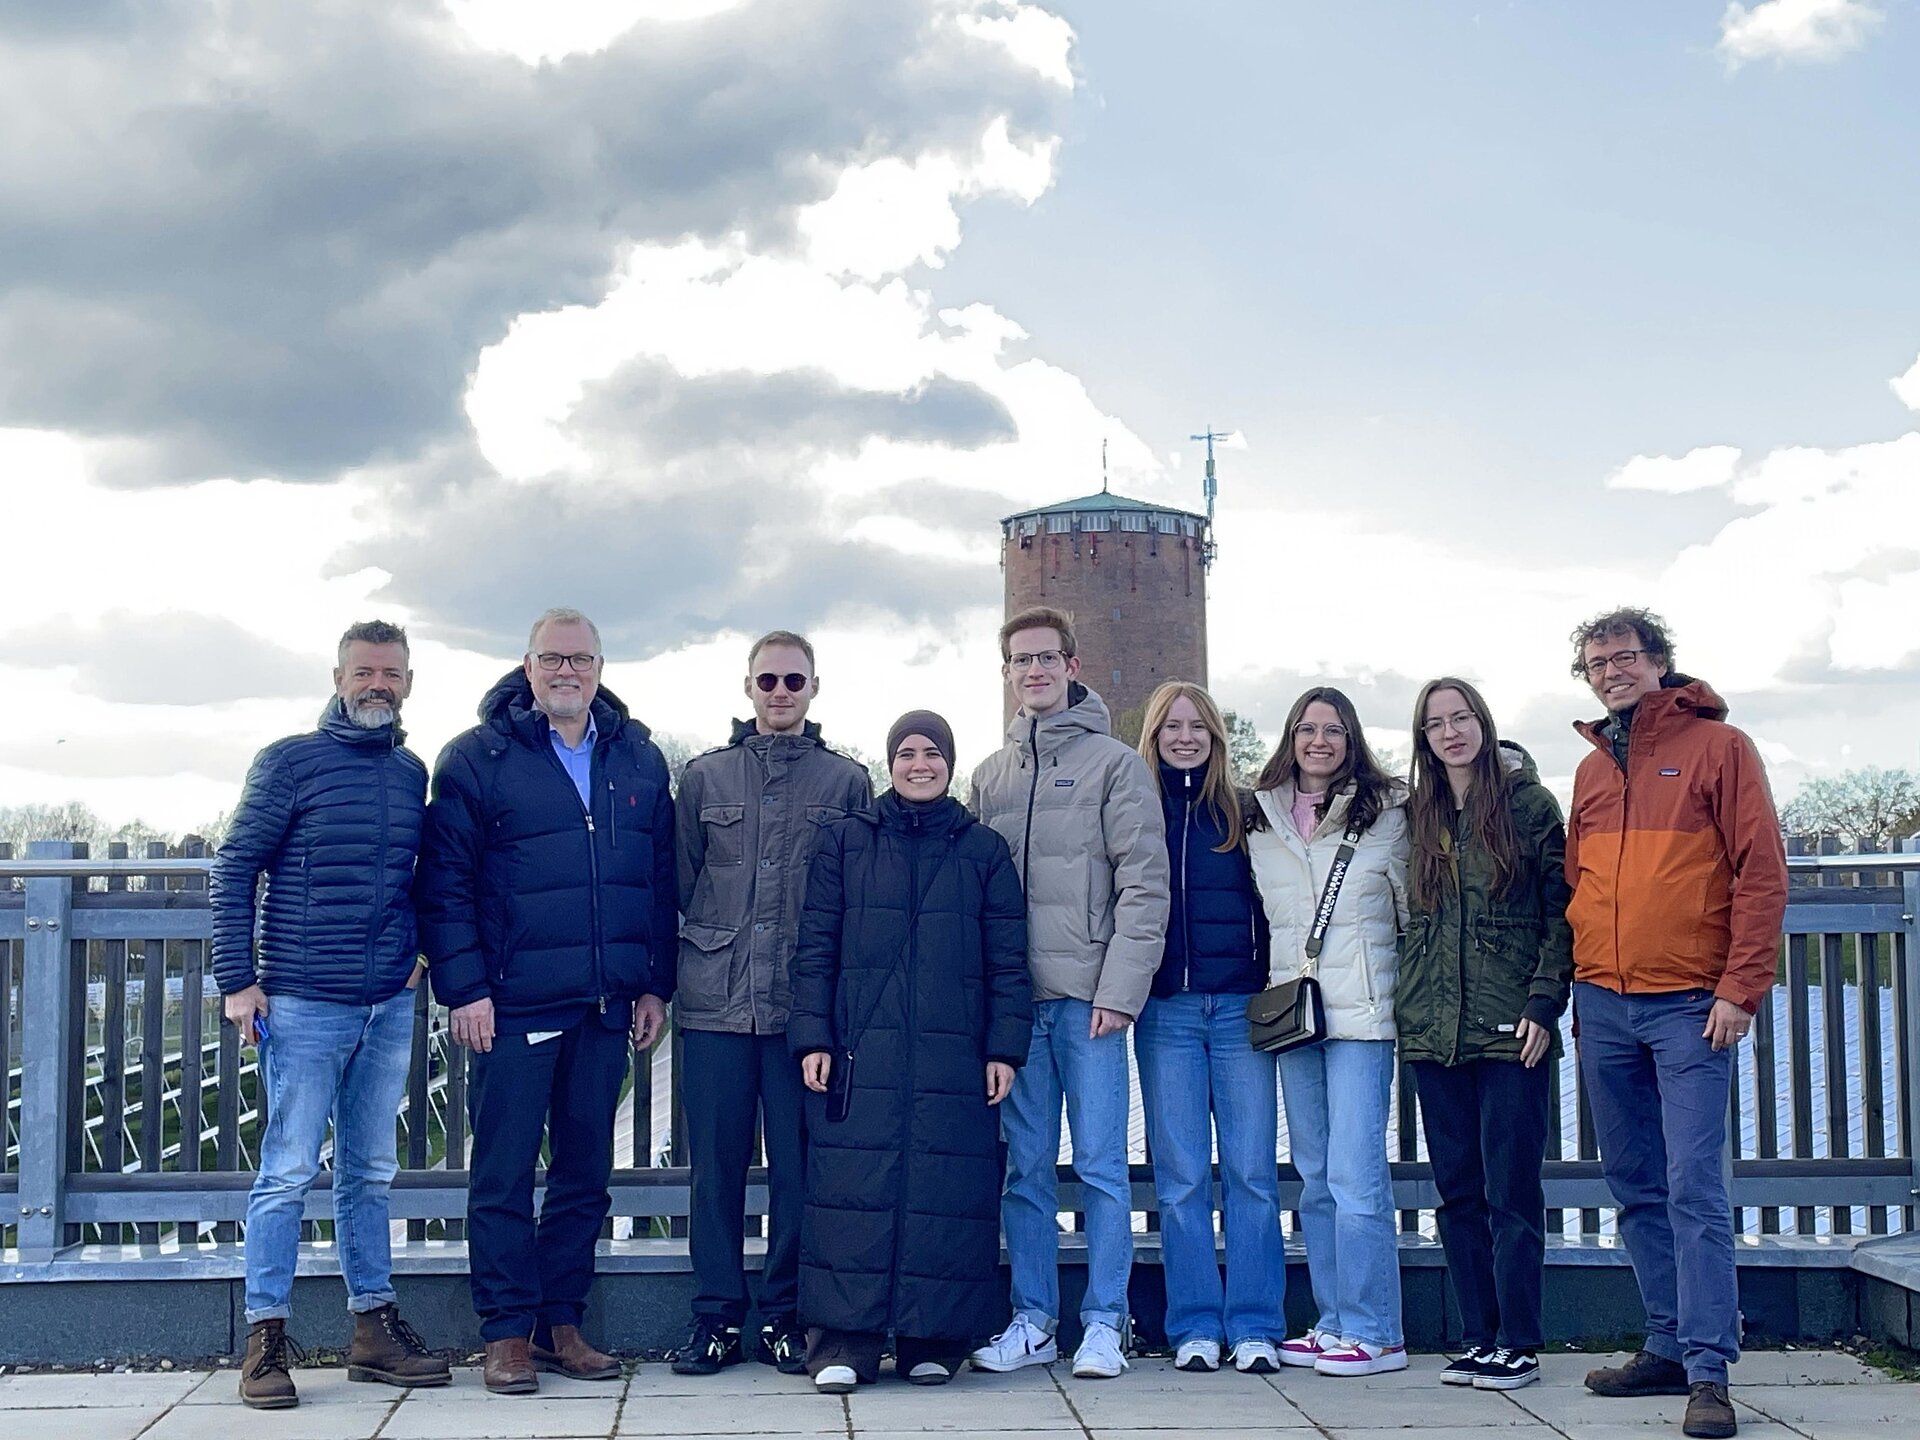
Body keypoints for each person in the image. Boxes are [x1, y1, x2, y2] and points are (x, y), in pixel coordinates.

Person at [416, 607, 676, 1395]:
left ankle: (561, 1322)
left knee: (584, 1171)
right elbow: (445, 883)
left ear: (600, 669)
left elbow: (659, 879)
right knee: (502, 1173)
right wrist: (465, 989)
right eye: (553, 659)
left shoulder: (637, 758)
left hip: (604, 1005)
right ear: (527, 667)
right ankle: (506, 1332)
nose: (568, 671)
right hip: (514, 1005)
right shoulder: (476, 758)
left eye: (581, 659)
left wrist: (654, 981)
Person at [212, 620, 449, 1409]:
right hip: (305, 1001)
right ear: (338, 678)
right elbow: (235, 866)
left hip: (387, 1005)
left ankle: (372, 1328)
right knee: (286, 1172)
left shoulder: (409, 771)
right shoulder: (290, 761)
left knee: (369, 1172)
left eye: (391, 673)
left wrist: (417, 956)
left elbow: (416, 878)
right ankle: (264, 1341)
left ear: (408, 683)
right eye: (364, 672)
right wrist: (237, 981)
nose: (378, 684)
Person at [1565, 609, 1787, 1440]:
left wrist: (1741, 989)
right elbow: (1577, 885)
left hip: (1692, 1005)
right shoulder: (1591, 769)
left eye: (1625, 656)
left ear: (1659, 661)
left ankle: (1708, 1373)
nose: (1612, 672)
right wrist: (1576, 990)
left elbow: (1762, 873)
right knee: (1634, 1183)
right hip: (1603, 1003)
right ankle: (1664, 1343)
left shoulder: (1720, 748)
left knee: (1695, 1186)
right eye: (1597, 663)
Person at [788, 711, 1032, 1392]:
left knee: (943, 1192)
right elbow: (816, 948)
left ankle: (934, 1337)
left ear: (949, 764)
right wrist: (813, 1036)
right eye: (906, 753)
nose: (919, 765)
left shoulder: (983, 851)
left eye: (932, 754)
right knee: (851, 1190)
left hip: (954, 1053)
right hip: (860, 1051)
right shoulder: (846, 842)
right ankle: (845, 1341)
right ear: (889, 763)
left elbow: (1009, 961)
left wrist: (1005, 1049)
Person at [968, 605, 1170, 1379]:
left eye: (1046, 657)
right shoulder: (991, 774)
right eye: (1021, 660)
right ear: (1008, 673)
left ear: (1071, 666)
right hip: (1018, 1010)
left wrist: (1120, 990)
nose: (1035, 670)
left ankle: (1106, 1322)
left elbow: (1144, 886)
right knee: (1025, 1170)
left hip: (1089, 1004)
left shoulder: (1116, 765)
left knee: (1099, 1167)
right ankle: (1033, 1320)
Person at [670, 630, 873, 1377]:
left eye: (793, 680)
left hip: (802, 1013)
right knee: (714, 1173)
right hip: (714, 1006)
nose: (780, 692)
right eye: (768, 680)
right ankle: (717, 1318)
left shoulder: (846, 783)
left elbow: (857, 899)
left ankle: (787, 1315)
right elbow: (680, 883)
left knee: (800, 1172)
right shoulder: (703, 778)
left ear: (814, 687)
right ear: (748, 686)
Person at [1398, 677, 1572, 1392]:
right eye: (1436, 723)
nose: (1451, 732)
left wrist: (1544, 1001)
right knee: (1458, 1193)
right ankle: (1478, 1337)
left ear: (1483, 722)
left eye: (1461, 717)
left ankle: (1519, 1341)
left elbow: (1562, 911)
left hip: (1511, 1028)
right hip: (1434, 1031)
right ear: (1424, 738)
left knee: (1512, 1191)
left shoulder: (1529, 806)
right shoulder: (1417, 814)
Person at [1245, 685, 1410, 1378]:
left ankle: (1377, 1331)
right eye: (1308, 729)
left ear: (1351, 740)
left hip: (1363, 1017)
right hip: (1296, 1016)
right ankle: (1335, 1319)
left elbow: (1414, 913)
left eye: (1334, 730)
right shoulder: (1260, 818)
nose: (1320, 741)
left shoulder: (1389, 813)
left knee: (1356, 1174)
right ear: (1291, 738)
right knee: (1315, 1175)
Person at [1129, 681, 1284, 1374]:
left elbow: (1276, 902)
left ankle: (1255, 1324)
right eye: (1172, 726)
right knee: (1182, 1178)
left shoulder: (1245, 812)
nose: (1185, 737)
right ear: (1155, 736)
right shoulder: (1137, 811)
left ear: (1215, 736)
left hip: (1239, 1012)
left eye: (1197, 726)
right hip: (1166, 1012)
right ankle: (1193, 1323)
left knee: (1251, 1174)